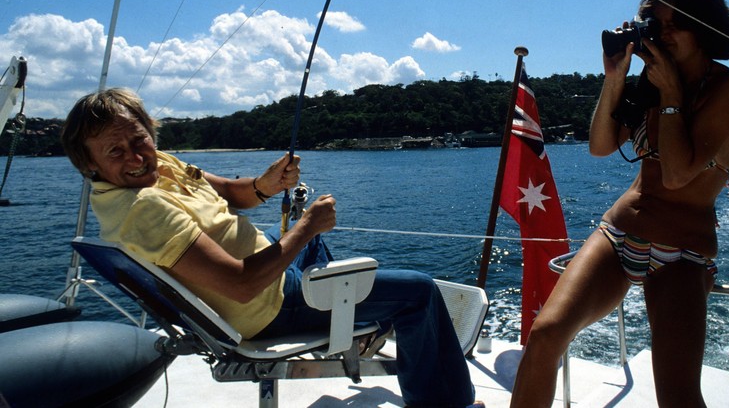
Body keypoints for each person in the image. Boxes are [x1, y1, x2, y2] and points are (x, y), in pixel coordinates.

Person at [61, 88, 480, 408]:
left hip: (275, 276)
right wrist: (303, 225)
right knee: (418, 291)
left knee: (317, 246)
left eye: (139, 139)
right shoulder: (143, 209)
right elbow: (241, 286)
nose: (136, 156)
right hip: (266, 306)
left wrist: (266, 184)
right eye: (116, 151)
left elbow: (227, 191)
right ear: (89, 164)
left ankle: (347, 317)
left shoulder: (158, 167)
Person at [510, 0, 729, 407]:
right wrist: (616, 77)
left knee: (677, 394)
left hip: (682, 252)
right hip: (619, 235)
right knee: (544, 337)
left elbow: (677, 175)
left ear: (706, 27)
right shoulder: (651, 83)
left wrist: (673, 95)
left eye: (677, 23)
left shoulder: (728, 90)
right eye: (658, 25)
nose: (666, 34)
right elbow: (601, 146)